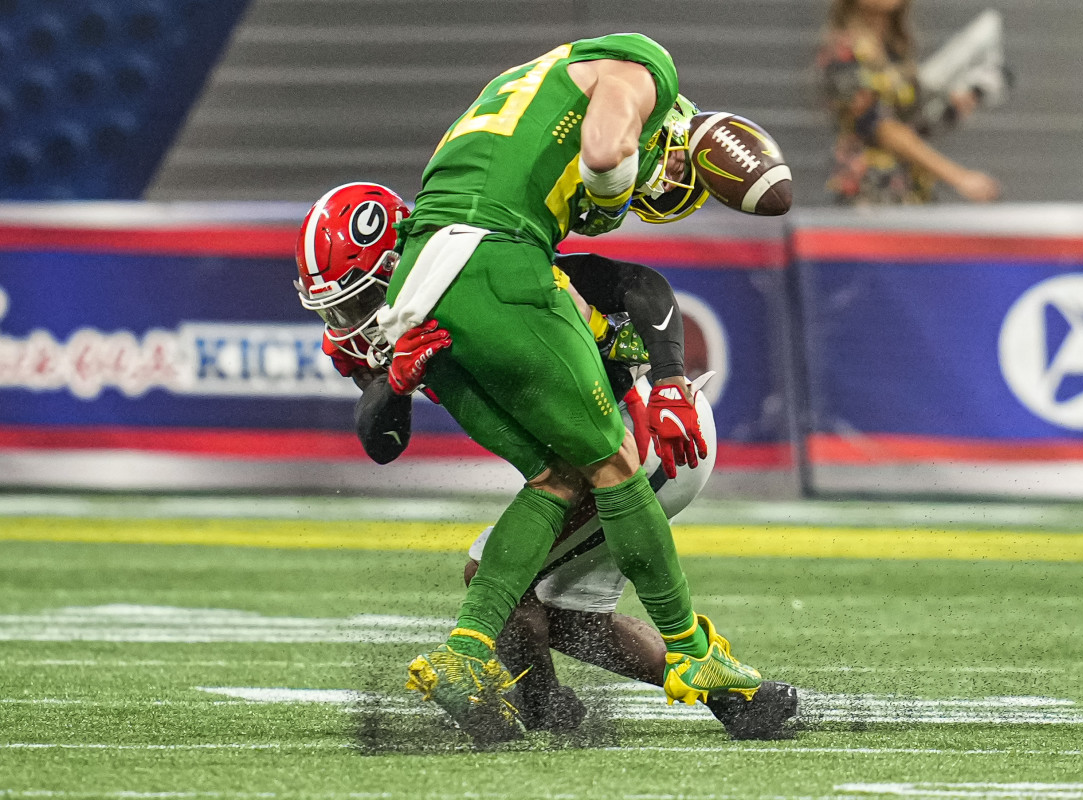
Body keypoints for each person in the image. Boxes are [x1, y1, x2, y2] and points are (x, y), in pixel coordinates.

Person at [295, 182, 799, 740]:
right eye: (339, 306)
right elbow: (381, 442)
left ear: (401, 264)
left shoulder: (491, 278)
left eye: (360, 300)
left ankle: (552, 701)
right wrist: (394, 382)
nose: (349, 320)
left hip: (640, 438)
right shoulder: (396, 325)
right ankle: (732, 697)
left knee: (497, 576)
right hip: (594, 452)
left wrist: (670, 381)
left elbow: (641, 285)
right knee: (560, 614)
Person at [373, 33, 764, 742]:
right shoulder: (646, 69)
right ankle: (692, 652)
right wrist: (611, 191)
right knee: (614, 464)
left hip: (422, 277)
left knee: (555, 478)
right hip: (495, 259)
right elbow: (608, 154)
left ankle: (464, 656)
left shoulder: (527, 82)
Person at [818, 0, 1001, 204]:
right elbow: (881, 128)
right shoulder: (844, 53)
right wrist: (958, 177)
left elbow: (914, 126)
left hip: (909, 191)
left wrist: (956, 106)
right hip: (870, 194)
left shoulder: (894, 51)